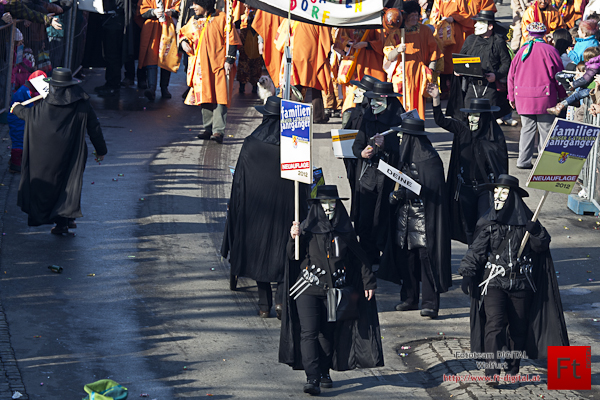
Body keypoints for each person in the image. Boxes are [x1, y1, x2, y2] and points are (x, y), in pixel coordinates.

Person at [459, 174, 569, 383]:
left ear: (513, 197)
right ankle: (492, 372)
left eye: (503, 192)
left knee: (518, 329)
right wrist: (467, 272)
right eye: (496, 192)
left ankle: (512, 366)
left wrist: (536, 232)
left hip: (520, 283)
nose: (498, 196)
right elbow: (476, 250)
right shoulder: (488, 222)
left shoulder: (528, 221)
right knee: (494, 325)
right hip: (494, 282)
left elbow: (541, 246)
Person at [280, 185, 382, 395]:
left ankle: (324, 371)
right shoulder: (307, 228)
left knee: (327, 334)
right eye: (324, 203)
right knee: (309, 332)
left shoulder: (345, 230)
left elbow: (358, 257)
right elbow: (291, 256)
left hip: (334, 291)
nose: (328, 208)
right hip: (307, 288)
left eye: (332, 203)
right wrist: (293, 237)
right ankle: (312, 377)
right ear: (317, 206)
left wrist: (368, 281)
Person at [221, 96, 307, 319]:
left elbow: (239, 181)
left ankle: (263, 304)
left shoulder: (251, 143)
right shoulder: (296, 147)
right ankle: (280, 301)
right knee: (283, 252)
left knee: (260, 254)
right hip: (286, 212)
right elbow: (303, 183)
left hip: (256, 212)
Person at [11, 68, 107, 234]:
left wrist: (17, 108)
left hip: (49, 154)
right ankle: (66, 220)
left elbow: (31, 116)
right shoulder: (81, 102)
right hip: (73, 152)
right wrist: (101, 150)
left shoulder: (47, 104)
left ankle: (61, 221)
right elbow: (94, 127)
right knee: (69, 184)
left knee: (53, 185)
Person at [378, 118, 451, 319]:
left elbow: (433, 189)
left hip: (424, 218)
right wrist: (395, 196)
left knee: (427, 262)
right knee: (406, 260)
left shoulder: (430, 159)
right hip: (404, 216)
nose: (400, 139)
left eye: (403, 136)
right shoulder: (405, 156)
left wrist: (405, 194)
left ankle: (430, 303)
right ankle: (409, 298)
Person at [427, 83, 508, 245]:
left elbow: (501, 165)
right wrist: (436, 98)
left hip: (485, 188)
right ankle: (473, 253)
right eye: (470, 115)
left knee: (483, 224)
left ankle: (481, 252)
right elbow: (440, 120)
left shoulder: (494, 135)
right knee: (468, 226)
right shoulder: (462, 130)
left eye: (476, 116)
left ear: (484, 117)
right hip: (465, 188)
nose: (472, 119)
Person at [351, 82, 404, 266]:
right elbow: (357, 145)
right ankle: (368, 256)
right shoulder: (368, 118)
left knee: (385, 219)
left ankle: (387, 260)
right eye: (372, 100)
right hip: (369, 179)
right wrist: (362, 153)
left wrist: (386, 146)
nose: (373, 104)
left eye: (377, 100)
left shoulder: (398, 121)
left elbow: (403, 151)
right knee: (366, 219)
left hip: (389, 180)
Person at [179, 0, 241, 144]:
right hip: (201, 67)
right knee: (205, 96)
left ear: (205, 3)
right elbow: (183, 34)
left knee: (220, 97)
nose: (193, 7)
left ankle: (218, 130)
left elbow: (232, 40)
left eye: (196, 4)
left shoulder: (222, 17)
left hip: (219, 65)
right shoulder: (193, 20)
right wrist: (183, 43)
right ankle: (208, 128)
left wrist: (229, 60)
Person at [507, 22, 566, 169]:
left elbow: (511, 76)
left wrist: (511, 97)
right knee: (546, 129)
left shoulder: (522, 51)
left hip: (523, 96)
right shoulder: (550, 50)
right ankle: (544, 163)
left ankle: (523, 161)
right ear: (544, 34)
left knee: (527, 129)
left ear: (528, 33)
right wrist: (562, 95)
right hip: (545, 97)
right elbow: (559, 77)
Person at [383, 0, 441, 120]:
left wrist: (430, 71)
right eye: (412, 15)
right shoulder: (396, 32)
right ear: (405, 16)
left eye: (416, 15)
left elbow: (434, 52)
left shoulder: (425, 30)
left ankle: (416, 128)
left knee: (417, 106)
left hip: (418, 75)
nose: (415, 18)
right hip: (401, 75)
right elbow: (389, 56)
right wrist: (398, 50)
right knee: (399, 104)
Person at [452, 10, 513, 122]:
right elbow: (461, 58)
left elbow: (507, 63)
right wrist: (458, 69)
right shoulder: (470, 40)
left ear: (490, 26)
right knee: (470, 119)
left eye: (480, 22)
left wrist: (496, 75)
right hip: (472, 86)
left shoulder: (498, 42)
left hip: (489, 88)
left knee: (488, 120)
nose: (476, 25)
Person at [341, 75, 381, 220]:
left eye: (360, 90)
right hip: (353, 158)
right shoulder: (355, 111)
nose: (355, 92)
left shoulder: (373, 115)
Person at [335, 25, 387, 124]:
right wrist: (348, 43)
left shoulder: (374, 22)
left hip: (372, 61)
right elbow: (340, 41)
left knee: (374, 90)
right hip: (354, 60)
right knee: (353, 92)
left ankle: (376, 120)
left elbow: (382, 42)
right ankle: (350, 121)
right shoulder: (349, 21)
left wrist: (366, 44)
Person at [138, 0, 180, 100]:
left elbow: (180, 7)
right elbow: (141, 10)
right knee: (151, 56)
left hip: (168, 27)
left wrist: (172, 12)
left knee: (166, 57)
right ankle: (151, 88)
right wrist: (153, 12)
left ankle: (164, 88)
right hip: (152, 29)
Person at [429, 0, 473, 94]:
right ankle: (444, 89)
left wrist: (454, 18)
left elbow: (467, 15)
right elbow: (434, 14)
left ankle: (456, 90)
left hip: (456, 33)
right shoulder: (438, 1)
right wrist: (439, 19)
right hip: (441, 32)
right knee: (442, 60)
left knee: (454, 60)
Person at [7, 70, 46, 174]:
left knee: (24, 139)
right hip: (17, 118)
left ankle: (17, 160)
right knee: (19, 139)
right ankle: (15, 164)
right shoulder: (25, 91)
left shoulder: (29, 90)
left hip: (21, 116)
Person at [547, 46, 600, 114]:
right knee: (575, 95)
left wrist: (574, 84)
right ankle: (560, 106)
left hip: (591, 88)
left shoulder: (594, 66)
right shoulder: (595, 65)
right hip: (591, 87)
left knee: (576, 95)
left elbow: (585, 79)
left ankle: (560, 106)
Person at [235, 6, 261, 94]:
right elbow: (239, 42)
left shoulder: (260, 33)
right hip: (245, 56)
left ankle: (255, 88)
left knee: (256, 73)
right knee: (243, 72)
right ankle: (241, 88)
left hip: (257, 56)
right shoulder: (244, 31)